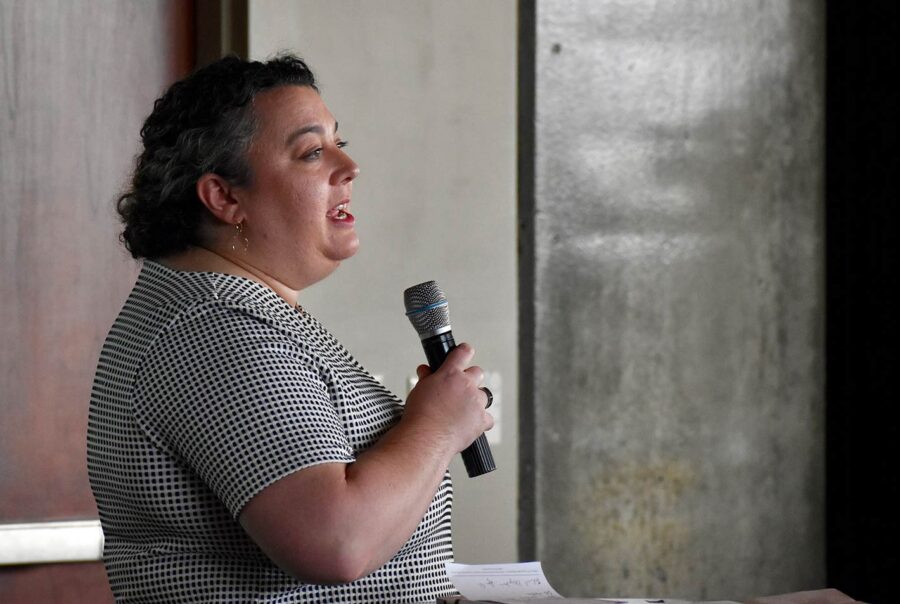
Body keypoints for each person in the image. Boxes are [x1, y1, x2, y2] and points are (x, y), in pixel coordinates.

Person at [86, 54, 493, 604]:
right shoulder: (215, 330)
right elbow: (336, 542)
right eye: (311, 153)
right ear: (225, 197)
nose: (349, 167)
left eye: (338, 142)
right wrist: (436, 427)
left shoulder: (231, 313)